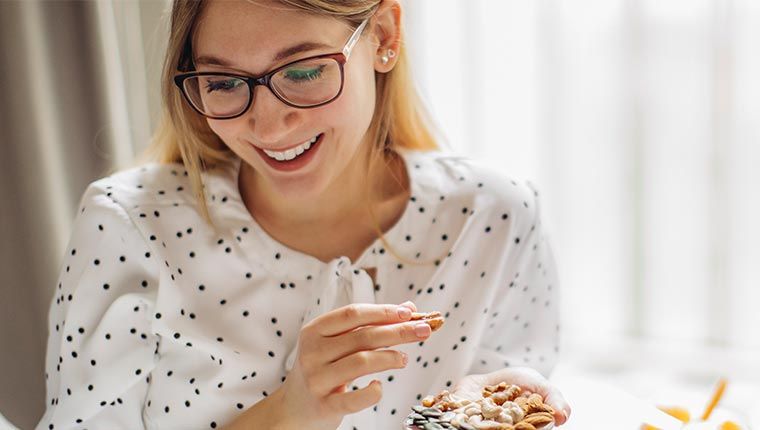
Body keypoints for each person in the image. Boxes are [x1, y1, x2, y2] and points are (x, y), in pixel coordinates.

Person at [37, 0, 571, 429]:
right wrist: (290, 415)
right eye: (223, 83)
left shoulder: (495, 217)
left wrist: (510, 404)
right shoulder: (130, 226)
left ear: (384, 37)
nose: (268, 128)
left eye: (305, 71)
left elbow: (498, 403)